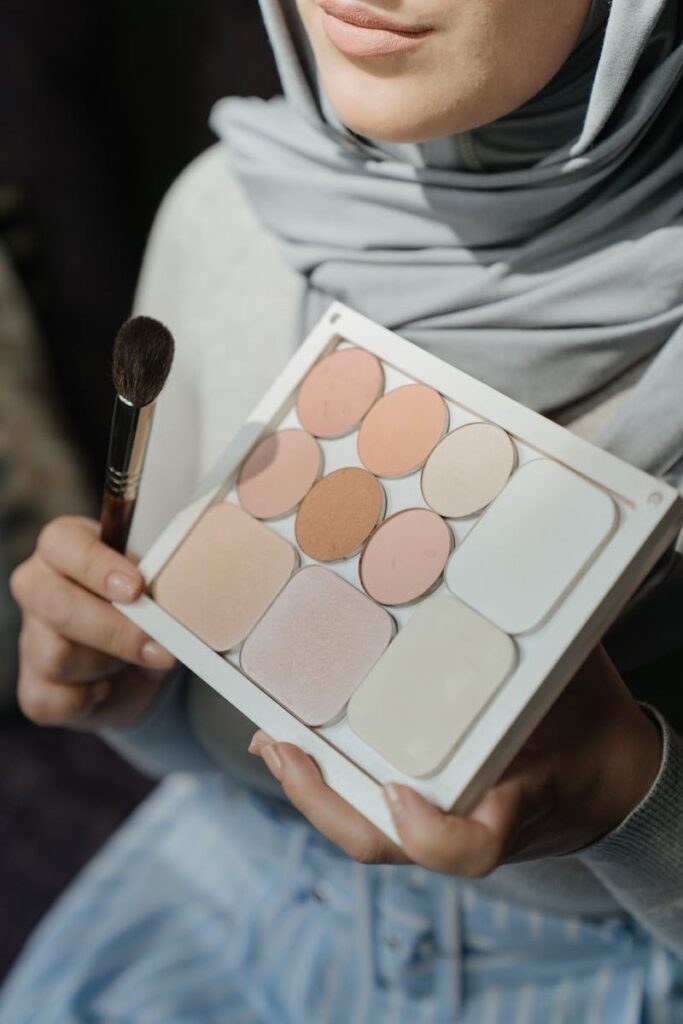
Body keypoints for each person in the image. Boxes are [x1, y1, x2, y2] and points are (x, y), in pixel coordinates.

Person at [3, 0, 683, 1020]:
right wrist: (126, 695)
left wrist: (627, 794)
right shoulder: (231, 203)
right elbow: (226, 750)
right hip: (205, 910)